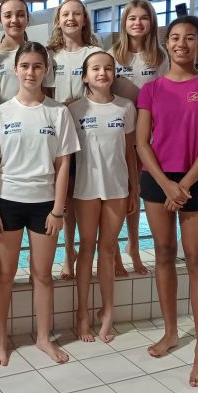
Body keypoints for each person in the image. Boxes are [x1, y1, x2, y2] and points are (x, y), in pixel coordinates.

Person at [136, 15, 198, 388]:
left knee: (196, 261)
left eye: (189, 38)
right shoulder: (152, 90)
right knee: (162, 253)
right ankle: (172, 331)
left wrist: (185, 185)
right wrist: (165, 184)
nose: (181, 44)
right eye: (174, 37)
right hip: (157, 180)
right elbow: (142, 143)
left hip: (194, 182)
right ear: (165, 43)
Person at [0, 42, 79, 367]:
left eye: (37, 66)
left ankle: (43, 338)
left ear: (45, 70)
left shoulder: (58, 112)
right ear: (15, 69)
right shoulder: (0, 113)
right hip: (8, 202)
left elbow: (64, 163)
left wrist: (58, 209)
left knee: (43, 275)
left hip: (44, 205)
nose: (31, 72)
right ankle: (0, 340)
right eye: (25, 65)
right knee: (4, 275)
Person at [68, 51, 138, 343]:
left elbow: (130, 152)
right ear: (84, 76)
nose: (102, 73)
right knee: (86, 249)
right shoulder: (74, 110)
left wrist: (135, 189)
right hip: (85, 189)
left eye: (108, 68)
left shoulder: (126, 108)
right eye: (95, 68)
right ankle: (82, 313)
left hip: (117, 189)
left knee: (107, 251)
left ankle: (108, 312)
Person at [43, 0, 103, 281]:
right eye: (65, 14)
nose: (70, 19)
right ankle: (68, 255)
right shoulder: (50, 55)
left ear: (84, 19)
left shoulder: (95, 52)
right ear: (58, 20)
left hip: (88, 132)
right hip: (58, 133)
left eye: (76, 14)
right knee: (64, 199)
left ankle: (90, 252)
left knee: (84, 198)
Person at [109, 0, 168, 277]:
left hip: (149, 133)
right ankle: (120, 249)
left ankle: (135, 246)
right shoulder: (114, 55)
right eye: (132, 18)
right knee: (123, 192)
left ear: (151, 23)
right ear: (124, 23)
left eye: (143, 18)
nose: (137, 23)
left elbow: (168, 95)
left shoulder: (159, 57)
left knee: (142, 191)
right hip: (119, 133)